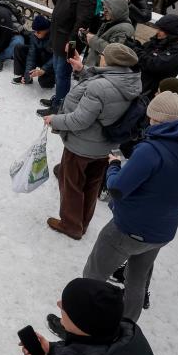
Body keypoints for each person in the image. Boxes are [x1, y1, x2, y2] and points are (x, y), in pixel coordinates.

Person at [80, 91, 178, 321]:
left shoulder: (151, 151)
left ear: (158, 119)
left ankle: (81, 323)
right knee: (136, 279)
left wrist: (113, 166)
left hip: (129, 229)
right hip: (162, 231)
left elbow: (117, 189)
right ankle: (128, 327)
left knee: (93, 274)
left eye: (151, 117)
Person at [44, 43, 142, 240]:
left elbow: (79, 120)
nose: (101, 56)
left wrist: (54, 120)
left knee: (72, 184)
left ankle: (71, 225)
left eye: (103, 54)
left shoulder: (100, 87)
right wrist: (82, 69)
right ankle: (82, 222)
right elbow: (105, 81)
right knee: (91, 184)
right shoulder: (130, 80)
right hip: (103, 146)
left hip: (82, 145)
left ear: (111, 60)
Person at [28, 278, 155, 355]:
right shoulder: (131, 348)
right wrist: (51, 352)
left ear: (80, 323)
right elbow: (85, 354)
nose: (58, 304)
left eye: (65, 306)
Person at [38, 0, 96, 117]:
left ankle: (60, 106)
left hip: (70, 43)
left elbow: (82, 22)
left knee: (63, 74)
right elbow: (61, 6)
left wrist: (71, 44)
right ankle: (58, 99)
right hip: (60, 40)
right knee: (58, 71)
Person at [132, 14, 178, 98]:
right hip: (138, 85)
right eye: (158, 29)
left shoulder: (177, 51)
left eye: (161, 30)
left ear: (170, 32)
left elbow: (154, 65)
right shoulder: (157, 41)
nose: (157, 32)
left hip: (150, 93)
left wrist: (136, 51)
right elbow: (144, 51)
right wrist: (135, 45)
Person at [80, 0, 136, 67]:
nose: (104, 12)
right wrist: (86, 36)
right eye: (104, 9)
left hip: (101, 71)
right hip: (93, 67)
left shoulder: (125, 29)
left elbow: (114, 52)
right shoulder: (110, 22)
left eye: (107, 9)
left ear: (117, 9)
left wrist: (92, 39)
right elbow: (101, 41)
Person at [13, 15, 55, 87]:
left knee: (45, 84)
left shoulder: (54, 36)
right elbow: (31, 55)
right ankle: (24, 76)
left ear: (46, 30)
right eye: (34, 31)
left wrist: (44, 69)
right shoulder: (34, 35)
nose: (35, 34)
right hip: (41, 57)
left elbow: (57, 57)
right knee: (19, 48)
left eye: (38, 32)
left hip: (52, 63)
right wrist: (27, 74)